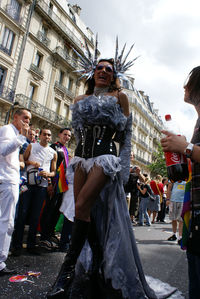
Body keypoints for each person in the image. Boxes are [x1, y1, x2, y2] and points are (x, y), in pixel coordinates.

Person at [47, 43, 159, 298]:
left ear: (114, 75)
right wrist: (77, 157)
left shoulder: (120, 97)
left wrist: (122, 168)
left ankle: (65, 272)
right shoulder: (79, 100)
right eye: (100, 68)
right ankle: (97, 260)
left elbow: (126, 133)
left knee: (83, 205)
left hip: (105, 158)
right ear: (92, 72)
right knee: (84, 213)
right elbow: (76, 131)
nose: (104, 71)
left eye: (109, 69)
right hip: (82, 158)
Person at [161, 66, 200, 299]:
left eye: (189, 82)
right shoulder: (197, 122)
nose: (184, 87)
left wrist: (184, 148)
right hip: (195, 210)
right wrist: (184, 153)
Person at [11, 128, 57, 256]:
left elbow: (54, 171)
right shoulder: (31, 146)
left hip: (41, 187)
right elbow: (22, 161)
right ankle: (17, 245)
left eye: (49, 135)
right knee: (22, 215)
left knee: (35, 217)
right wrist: (31, 162)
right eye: (44, 134)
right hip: (28, 185)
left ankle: (31, 245)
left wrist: (48, 174)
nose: (47, 137)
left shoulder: (53, 152)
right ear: (40, 135)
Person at [0, 108, 31, 276]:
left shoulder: (11, 132)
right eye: (24, 117)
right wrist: (21, 138)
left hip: (8, 180)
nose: (27, 121)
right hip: (6, 181)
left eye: (29, 119)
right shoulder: (7, 130)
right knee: (7, 222)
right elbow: (3, 151)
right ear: (15, 117)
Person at [39, 128, 71, 251]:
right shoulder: (54, 147)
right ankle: (44, 236)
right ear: (59, 135)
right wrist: (49, 183)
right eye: (65, 134)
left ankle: (50, 234)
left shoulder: (65, 149)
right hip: (53, 184)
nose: (67, 137)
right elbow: (49, 166)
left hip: (62, 186)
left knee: (56, 211)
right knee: (49, 210)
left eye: (69, 135)